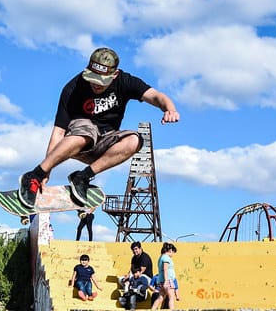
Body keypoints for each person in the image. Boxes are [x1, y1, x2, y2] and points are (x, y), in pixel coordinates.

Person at [17, 47, 180, 208]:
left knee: (134, 141)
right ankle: (33, 176)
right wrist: (46, 170)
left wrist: (169, 109)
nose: (95, 84)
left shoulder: (126, 81)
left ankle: (83, 177)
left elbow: (156, 96)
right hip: (77, 140)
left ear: (114, 75)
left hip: (104, 144)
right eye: (92, 78)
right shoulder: (72, 88)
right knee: (88, 131)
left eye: (101, 81)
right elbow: (58, 132)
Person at [151, 243, 179, 310]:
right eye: (173, 252)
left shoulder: (161, 257)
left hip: (161, 280)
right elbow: (165, 269)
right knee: (171, 297)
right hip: (167, 280)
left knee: (161, 297)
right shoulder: (166, 258)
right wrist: (166, 281)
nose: (172, 254)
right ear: (170, 250)